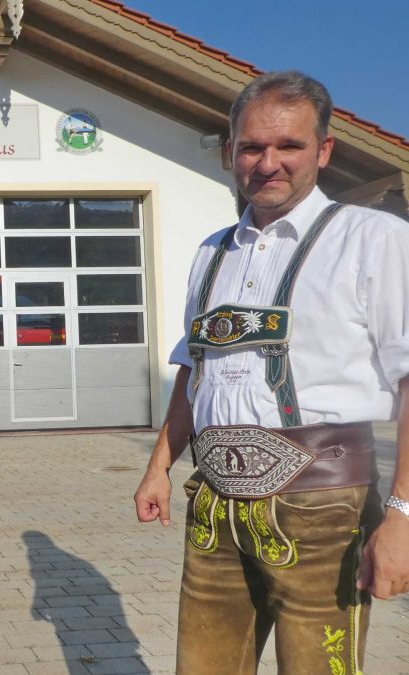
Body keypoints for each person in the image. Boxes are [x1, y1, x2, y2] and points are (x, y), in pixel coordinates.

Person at [134, 70, 409, 674]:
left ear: (324, 151)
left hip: (325, 506)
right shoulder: (213, 252)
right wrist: (159, 468)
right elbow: (194, 371)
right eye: (254, 146)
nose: (269, 162)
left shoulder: (373, 239)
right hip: (214, 505)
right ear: (233, 151)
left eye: (289, 146)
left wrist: (402, 517)